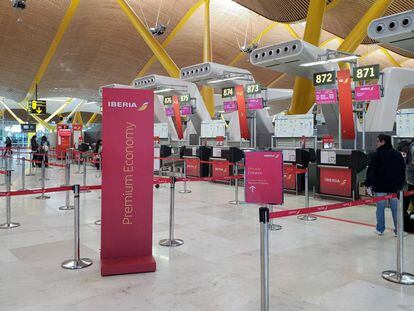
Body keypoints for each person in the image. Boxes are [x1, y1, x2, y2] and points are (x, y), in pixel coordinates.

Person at [365, 134, 406, 236]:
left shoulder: (377, 155)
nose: (376, 143)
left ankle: (380, 229)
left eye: (378, 141)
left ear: (383, 142)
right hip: (394, 188)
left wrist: (368, 184)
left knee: (380, 208)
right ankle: (398, 230)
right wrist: (400, 184)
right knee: (396, 209)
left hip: (380, 187)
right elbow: (402, 171)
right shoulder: (397, 154)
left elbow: (371, 171)